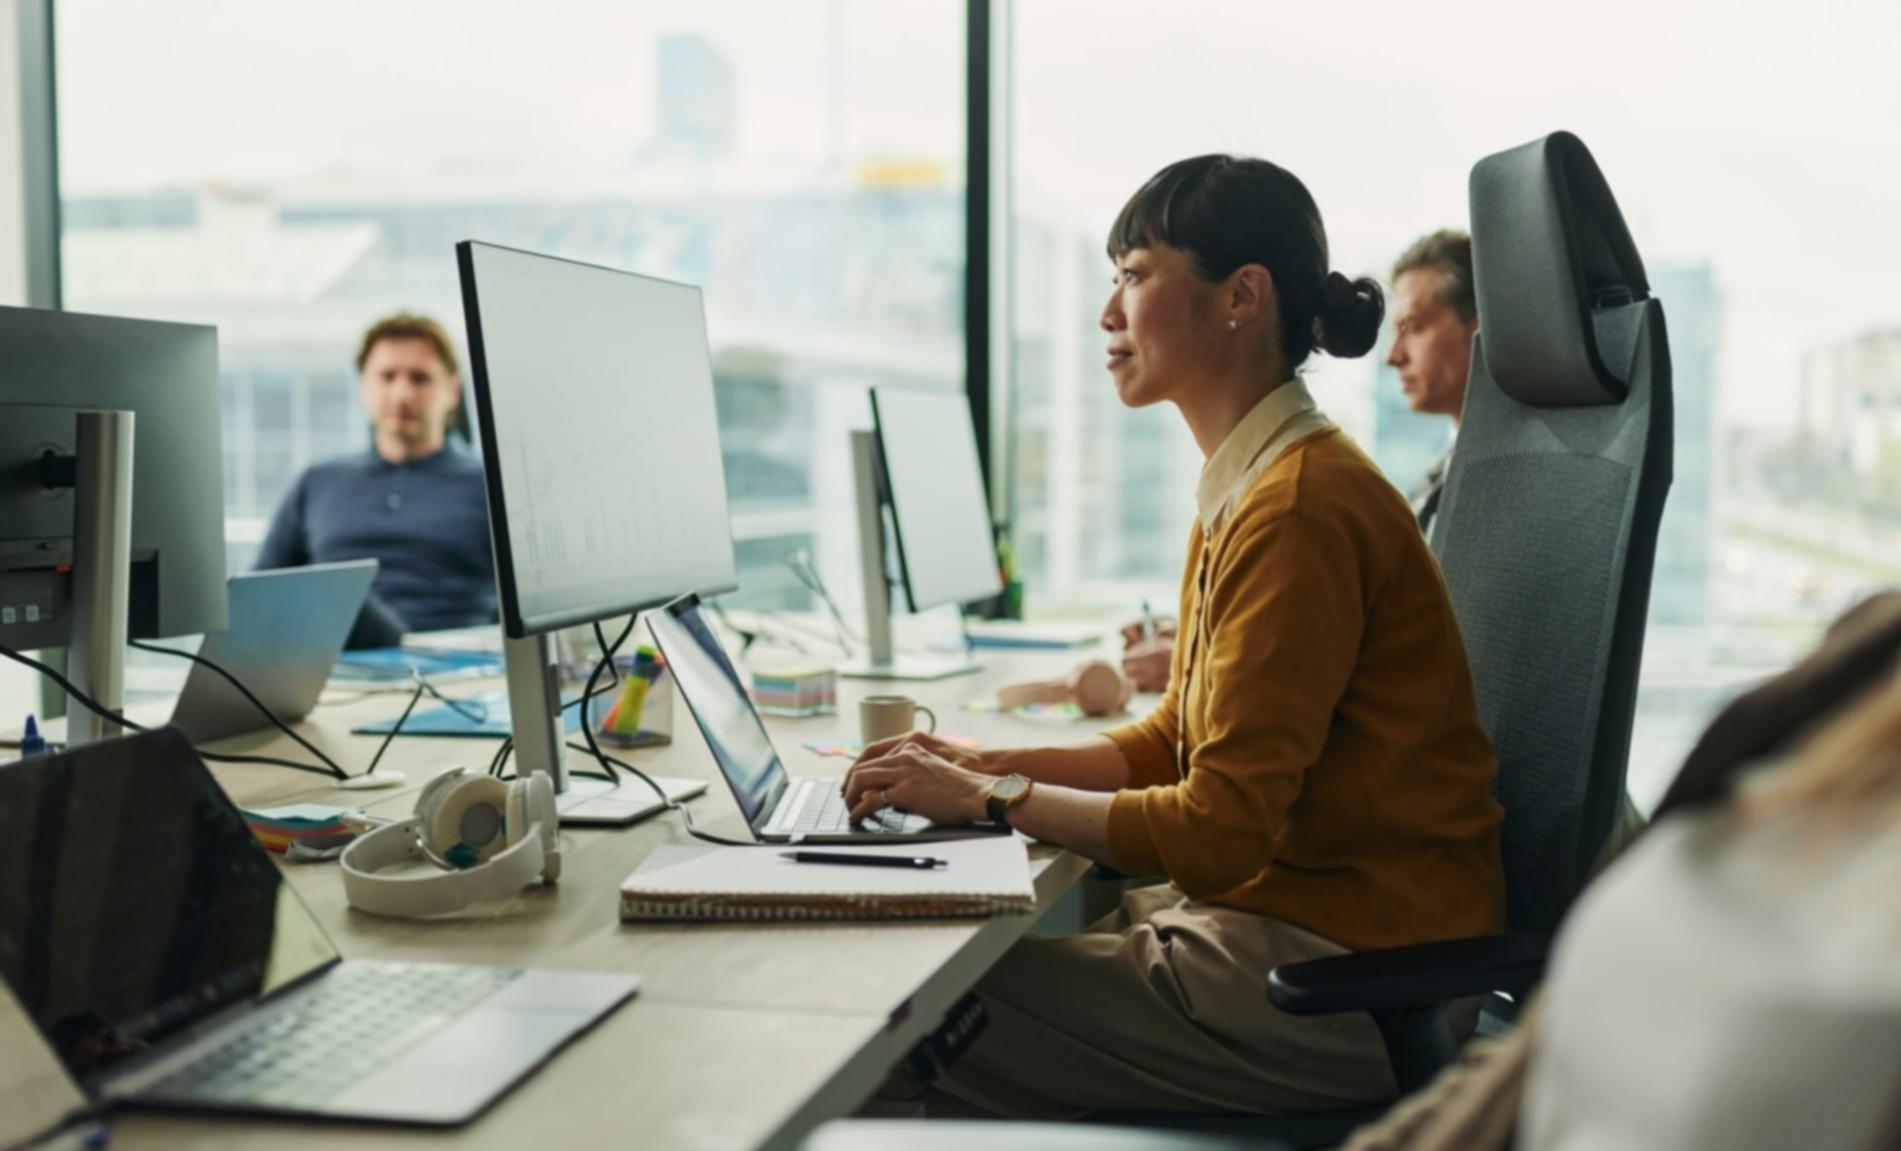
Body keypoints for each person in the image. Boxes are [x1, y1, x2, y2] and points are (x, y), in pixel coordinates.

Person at [845, 154, 1505, 1118]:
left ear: (1241, 296)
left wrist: (993, 797)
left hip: (1339, 982)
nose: (1107, 313)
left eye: (1134, 274)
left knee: (883, 1024)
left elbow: (1218, 827)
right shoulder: (1254, 486)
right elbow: (1174, 742)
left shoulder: (1299, 509)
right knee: (924, 978)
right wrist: (977, 759)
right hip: (1296, 939)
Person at [1121, 228, 1479, 693]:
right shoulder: (1444, 471)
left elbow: (1434, 656)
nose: (1393, 356)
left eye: (1415, 326)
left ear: (1483, 326)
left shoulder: (1302, 500)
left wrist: (1221, 662)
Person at [255, 313, 495, 640]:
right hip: (339, 671)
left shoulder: (490, 486)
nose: (401, 393)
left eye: (419, 378)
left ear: (452, 391)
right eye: (387, 376)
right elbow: (258, 596)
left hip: (460, 669)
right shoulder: (317, 482)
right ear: (363, 386)